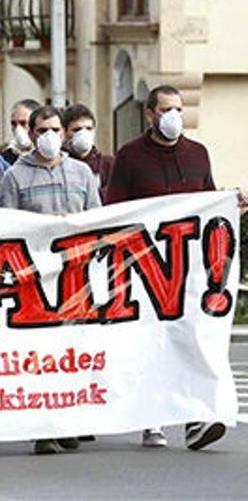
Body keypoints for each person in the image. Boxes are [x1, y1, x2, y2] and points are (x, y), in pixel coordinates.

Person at [105, 85, 247, 451]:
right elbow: (115, 210)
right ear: (150, 115)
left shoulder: (198, 154)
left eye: (178, 109)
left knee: (193, 340)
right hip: (146, 269)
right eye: (166, 110)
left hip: (191, 269)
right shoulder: (131, 156)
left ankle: (197, 419)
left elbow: (209, 200)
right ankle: (153, 420)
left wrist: (232, 206)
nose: (174, 117)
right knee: (152, 343)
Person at [0, 105, 100, 454]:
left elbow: (97, 221)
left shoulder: (83, 173)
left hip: (76, 277)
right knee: (41, 356)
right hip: (35, 280)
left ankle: (68, 421)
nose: (50, 137)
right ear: (32, 133)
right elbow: (6, 228)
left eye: (56, 130)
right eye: (42, 131)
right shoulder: (15, 177)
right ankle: (43, 428)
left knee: (72, 354)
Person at [61, 103, 114, 193]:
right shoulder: (58, 165)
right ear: (65, 133)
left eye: (88, 128)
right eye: (76, 130)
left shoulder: (108, 165)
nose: (83, 134)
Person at [0, 98, 40, 165]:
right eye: (14, 124)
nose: (18, 129)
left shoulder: (49, 157)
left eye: (23, 123)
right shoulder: (3, 159)